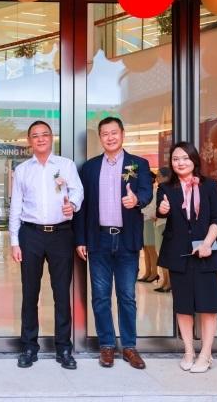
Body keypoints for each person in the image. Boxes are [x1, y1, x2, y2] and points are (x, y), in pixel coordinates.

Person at [75, 116, 152, 369]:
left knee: (127, 296)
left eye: (114, 132)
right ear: (100, 138)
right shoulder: (89, 168)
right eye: (105, 134)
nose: (110, 137)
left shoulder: (138, 164)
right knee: (100, 297)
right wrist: (81, 239)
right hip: (98, 240)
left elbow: (146, 192)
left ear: (122, 134)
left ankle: (129, 346)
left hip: (127, 240)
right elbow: (82, 206)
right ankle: (107, 346)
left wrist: (137, 200)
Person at [10, 120, 83, 370]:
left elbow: (78, 191)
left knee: (61, 293)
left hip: (61, 234)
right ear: (29, 141)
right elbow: (16, 207)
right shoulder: (22, 170)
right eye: (35, 135)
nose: (40, 139)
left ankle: (63, 348)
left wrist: (72, 205)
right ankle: (29, 346)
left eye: (45, 134)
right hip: (30, 235)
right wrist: (14, 241)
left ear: (52, 138)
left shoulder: (65, 165)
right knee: (30, 293)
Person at [156, 141, 217, 373]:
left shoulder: (210, 186)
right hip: (178, 253)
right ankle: (188, 351)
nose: (180, 162)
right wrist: (162, 210)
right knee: (183, 306)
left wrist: (207, 243)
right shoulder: (165, 188)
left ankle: (206, 354)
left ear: (194, 160)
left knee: (208, 305)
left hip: (206, 252)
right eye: (176, 159)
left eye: (185, 158)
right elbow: (160, 211)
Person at [139, 172, 159, 283]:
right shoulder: (144, 191)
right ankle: (147, 272)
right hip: (143, 220)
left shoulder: (155, 191)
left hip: (150, 220)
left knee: (151, 248)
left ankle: (154, 273)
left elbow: (152, 207)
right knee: (146, 248)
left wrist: (141, 210)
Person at [153, 167, 171, 293]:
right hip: (159, 223)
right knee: (160, 253)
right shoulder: (161, 188)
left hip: (164, 223)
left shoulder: (166, 189)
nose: (157, 178)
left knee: (165, 254)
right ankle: (165, 281)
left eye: (159, 176)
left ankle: (169, 282)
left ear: (166, 177)